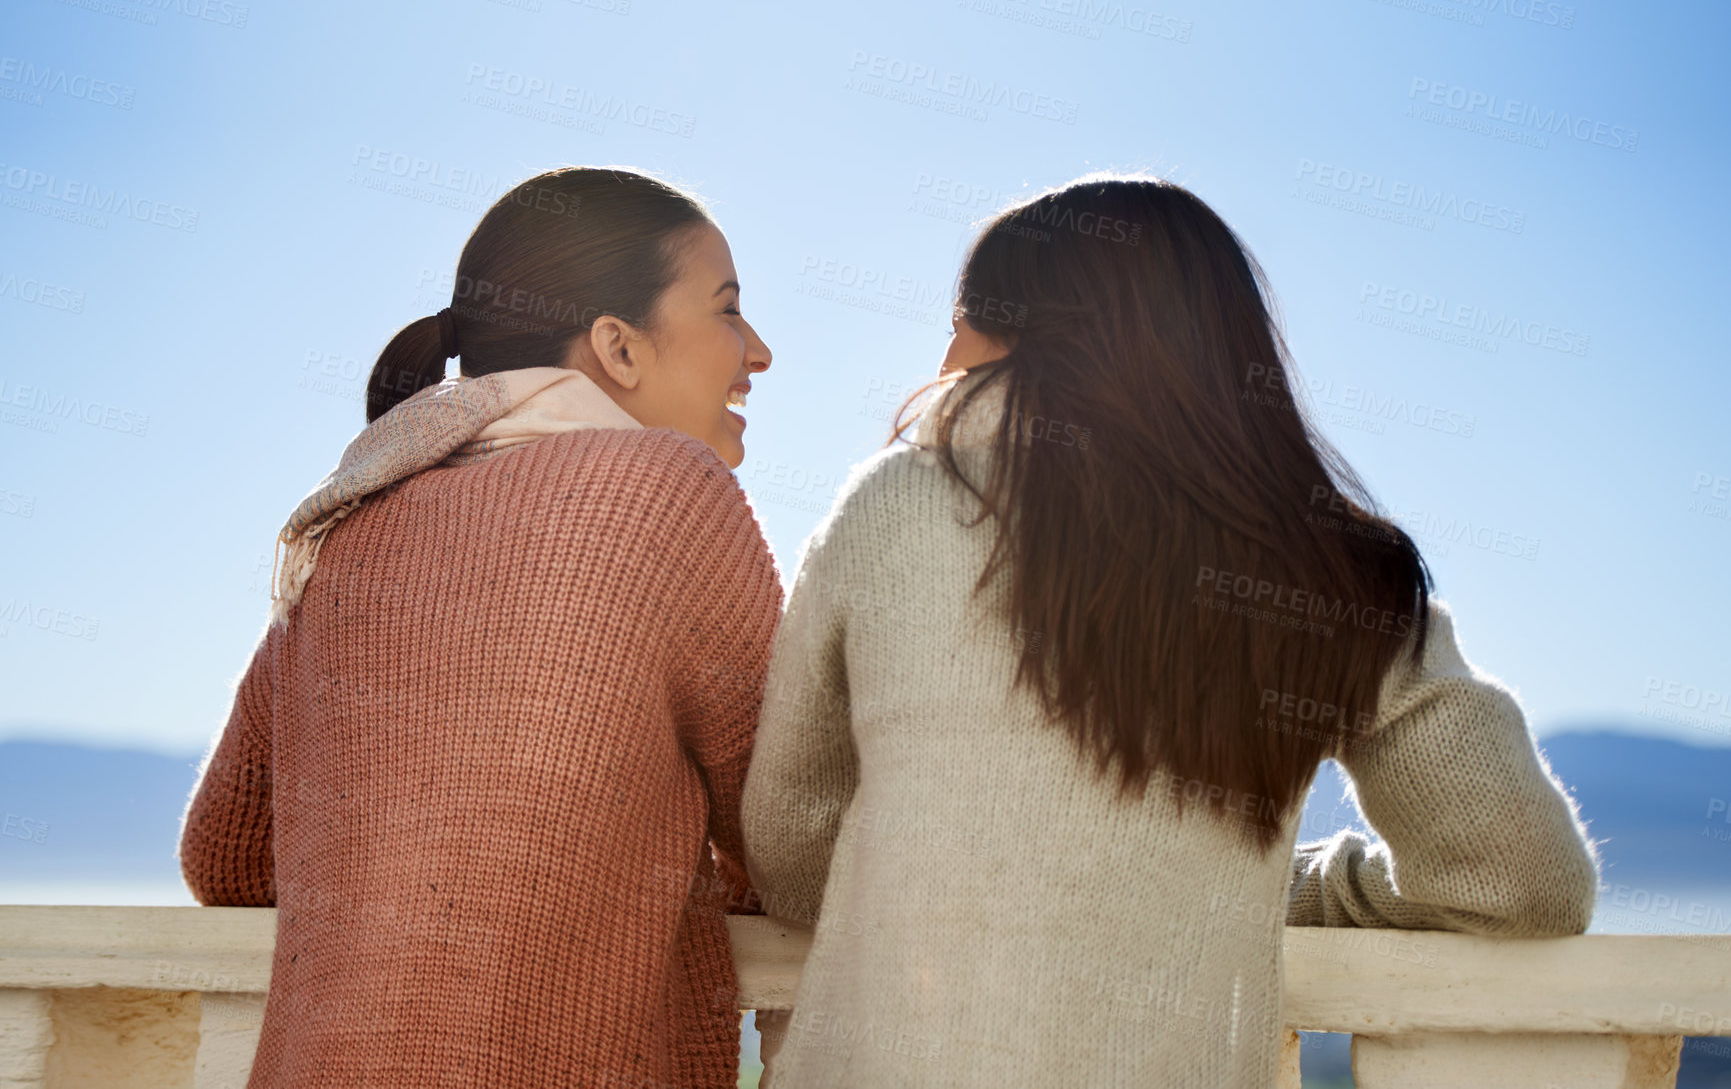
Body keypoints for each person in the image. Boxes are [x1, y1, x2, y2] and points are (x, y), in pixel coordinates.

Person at [740, 175, 1599, 1086]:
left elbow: (794, 855)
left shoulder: (898, 508)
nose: (945, 349)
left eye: (962, 314)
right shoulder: (1341, 571)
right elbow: (1521, 879)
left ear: (1017, 336)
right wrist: (1262, 885)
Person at [179, 166, 781, 1088]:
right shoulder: (665, 491)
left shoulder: (350, 521)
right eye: (728, 311)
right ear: (618, 346)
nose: (759, 351)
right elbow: (783, 834)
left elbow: (225, 853)